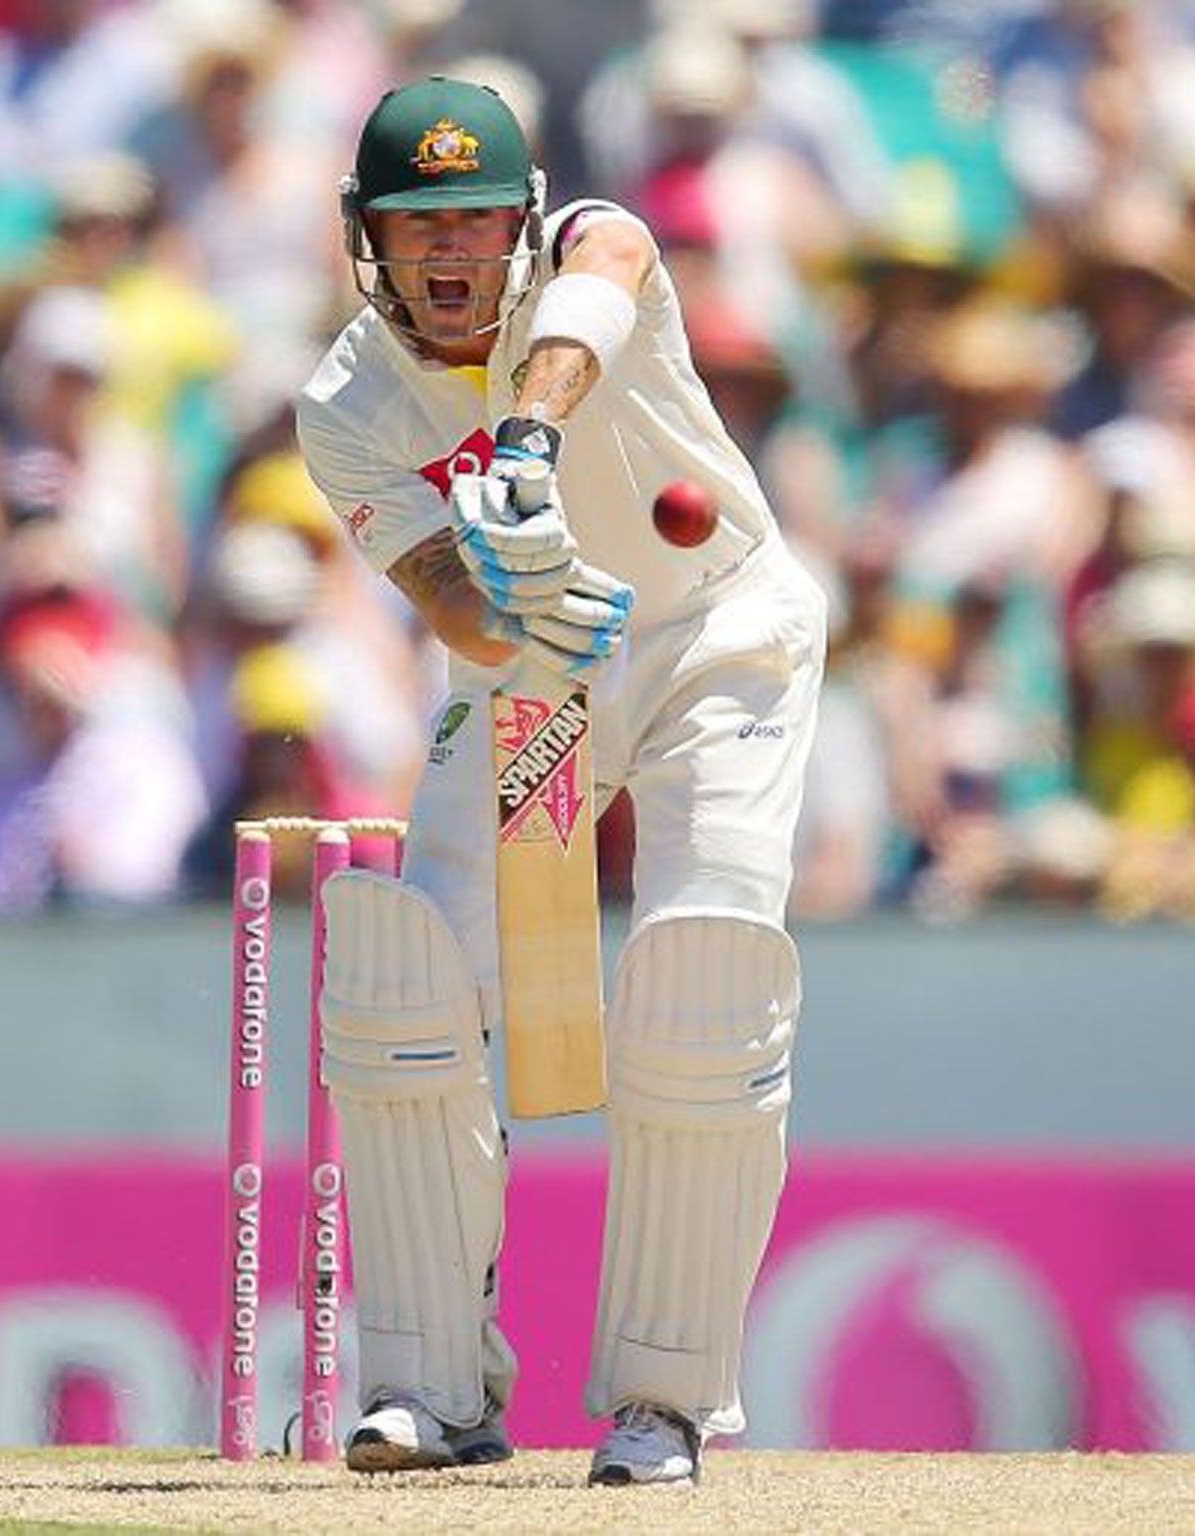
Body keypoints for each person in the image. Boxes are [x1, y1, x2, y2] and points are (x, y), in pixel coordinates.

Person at [293, 78, 827, 1485]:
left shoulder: (594, 253)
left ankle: (662, 1405)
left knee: (701, 972)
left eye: (476, 216)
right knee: (406, 970)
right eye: (418, 227)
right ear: (369, 239)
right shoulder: (346, 403)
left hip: (721, 633)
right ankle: (433, 1390)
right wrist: (514, 601)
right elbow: (452, 615)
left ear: (523, 220)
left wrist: (525, 442)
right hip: (537, 672)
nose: (451, 251)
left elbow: (611, 269)